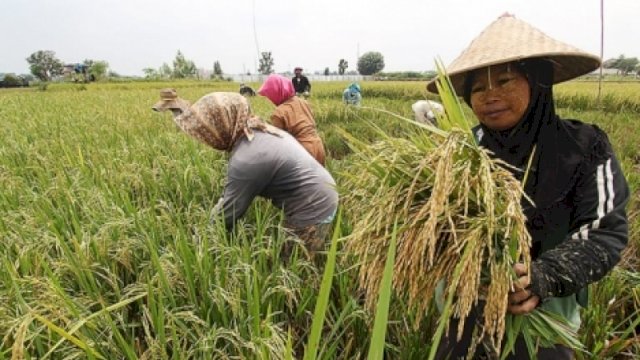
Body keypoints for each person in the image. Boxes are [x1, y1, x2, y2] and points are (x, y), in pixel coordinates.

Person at [426, 14, 629, 359]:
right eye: (477, 88)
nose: (490, 96)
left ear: (538, 84)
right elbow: (429, 224)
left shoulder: (585, 146)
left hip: (544, 323)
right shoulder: (459, 152)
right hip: (464, 315)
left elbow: (604, 232)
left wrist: (543, 276)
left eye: (505, 81)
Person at [152, 90, 338, 257]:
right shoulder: (261, 130)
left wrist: (197, 242)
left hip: (315, 207)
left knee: (290, 265)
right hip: (324, 192)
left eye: (208, 131)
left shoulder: (247, 159)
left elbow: (227, 214)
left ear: (222, 126)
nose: (207, 138)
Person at [258, 74, 326, 165]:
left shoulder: (279, 112)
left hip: (303, 151)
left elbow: (278, 141)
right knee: (319, 178)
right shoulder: (303, 102)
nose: (271, 100)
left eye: (271, 96)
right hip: (318, 146)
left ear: (277, 92)